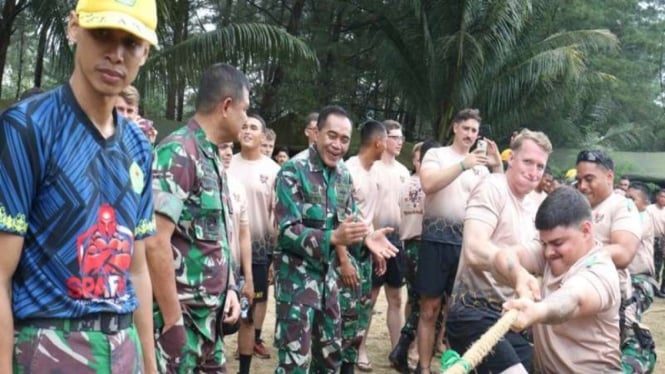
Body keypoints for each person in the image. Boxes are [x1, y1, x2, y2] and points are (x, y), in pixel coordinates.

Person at [0, 0, 158, 372]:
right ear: (74, 28)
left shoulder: (138, 147)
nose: (116, 55)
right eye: (102, 33)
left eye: (131, 42)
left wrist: (150, 365)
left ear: (145, 52)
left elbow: (137, 269)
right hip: (51, 345)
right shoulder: (29, 128)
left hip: (124, 348)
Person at [272, 105, 399, 373]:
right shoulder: (292, 171)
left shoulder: (343, 175)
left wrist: (366, 238)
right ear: (316, 133)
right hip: (297, 284)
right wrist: (332, 237)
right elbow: (286, 231)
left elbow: (349, 221)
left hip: (330, 284)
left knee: (330, 358)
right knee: (295, 363)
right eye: (331, 136)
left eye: (344, 139)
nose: (337, 145)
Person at [146, 63, 249, 373]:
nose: (246, 119)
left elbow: (217, 238)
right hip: (181, 325)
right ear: (227, 106)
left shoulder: (212, 157)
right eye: (245, 110)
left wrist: (231, 287)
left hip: (209, 324)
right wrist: (173, 320)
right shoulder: (178, 152)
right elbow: (154, 241)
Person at [445, 129, 552, 374]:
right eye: (527, 162)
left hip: (511, 318)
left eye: (540, 166)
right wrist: (517, 274)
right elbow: (474, 249)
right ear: (510, 159)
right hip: (472, 312)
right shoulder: (492, 187)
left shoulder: (539, 204)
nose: (533, 171)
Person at [414, 109, 502, 373]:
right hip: (435, 241)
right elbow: (428, 184)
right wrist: (464, 164)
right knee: (429, 309)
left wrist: (497, 166)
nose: (470, 135)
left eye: (474, 131)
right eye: (466, 129)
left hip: (466, 246)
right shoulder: (437, 155)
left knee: (459, 312)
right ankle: (424, 367)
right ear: (454, 128)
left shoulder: (482, 169)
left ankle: (458, 368)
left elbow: (500, 197)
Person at [499, 186, 622, 373]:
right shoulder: (551, 252)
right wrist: (519, 276)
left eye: (557, 243)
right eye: (544, 243)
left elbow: (573, 300)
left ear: (586, 230)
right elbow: (503, 256)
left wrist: (536, 311)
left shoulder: (600, 270)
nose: (548, 252)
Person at [357, 120, 410, 371]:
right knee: (370, 297)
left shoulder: (403, 171)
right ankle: (360, 349)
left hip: (397, 240)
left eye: (402, 137)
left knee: (397, 298)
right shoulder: (371, 168)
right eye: (395, 137)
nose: (400, 141)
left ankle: (397, 351)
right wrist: (371, 240)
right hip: (373, 239)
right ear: (383, 139)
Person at [228, 114, 281, 369]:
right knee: (217, 313)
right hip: (225, 251)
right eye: (245, 126)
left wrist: (274, 258)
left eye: (254, 127)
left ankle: (245, 369)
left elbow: (278, 218)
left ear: (263, 136)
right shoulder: (225, 163)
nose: (247, 131)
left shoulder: (273, 171)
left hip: (259, 252)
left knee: (248, 315)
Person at [337, 119, 387, 374]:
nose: (388, 147)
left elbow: (369, 218)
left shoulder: (374, 172)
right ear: (378, 142)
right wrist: (344, 260)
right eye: (386, 141)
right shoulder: (348, 171)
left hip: (365, 251)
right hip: (348, 250)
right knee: (343, 316)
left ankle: (350, 365)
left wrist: (376, 247)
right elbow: (337, 220)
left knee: (361, 315)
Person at [389, 140, 442, 373]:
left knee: (415, 300)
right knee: (426, 304)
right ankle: (404, 347)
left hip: (406, 245)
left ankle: (405, 348)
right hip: (424, 246)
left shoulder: (404, 184)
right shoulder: (432, 187)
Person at [647, 189, 665, 297]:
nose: (663, 199)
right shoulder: (650, 209)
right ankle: (653, 288)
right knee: (653, 265)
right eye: (662, 196)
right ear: (657, 197)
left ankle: (662, 289)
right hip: (651, 238)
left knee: (661, 263)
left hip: (662, 240)